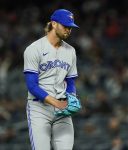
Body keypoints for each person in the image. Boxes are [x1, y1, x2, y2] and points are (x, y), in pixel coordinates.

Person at [23, 9, 79, 150]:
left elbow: (71, 82)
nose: (69, 30)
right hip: (39, 109)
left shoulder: (71, 51)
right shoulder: (34, 49)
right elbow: (32, 85)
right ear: (54, 24)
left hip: (62, 112)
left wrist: (71, 98)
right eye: (65, 26)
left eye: (70, 27)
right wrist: (56, 103)